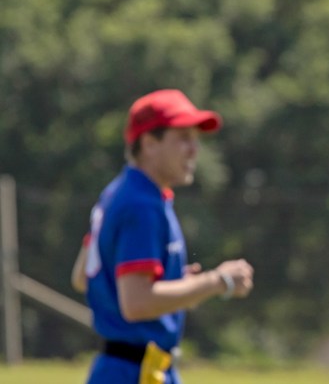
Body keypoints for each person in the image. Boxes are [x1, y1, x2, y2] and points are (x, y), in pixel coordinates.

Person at [79, 89, 255, 384]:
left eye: (195, 139)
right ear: (149, 143)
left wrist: (175, 283)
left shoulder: (118, 192)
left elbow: (84, 276)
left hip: (132, 369)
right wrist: (218, 281)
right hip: (133, 372)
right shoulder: (141, 205)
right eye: (183, 138)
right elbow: (136, 304)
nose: (194, 149)